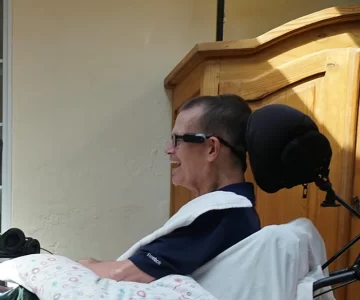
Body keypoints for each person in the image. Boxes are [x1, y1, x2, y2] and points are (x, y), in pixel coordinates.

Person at [78, 93, 261, 282]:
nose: (168, 150)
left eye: (178, 140)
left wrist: (81, 266)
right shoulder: (231, 212)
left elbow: (124, 275)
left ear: (211, 149)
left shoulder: (221, 213)